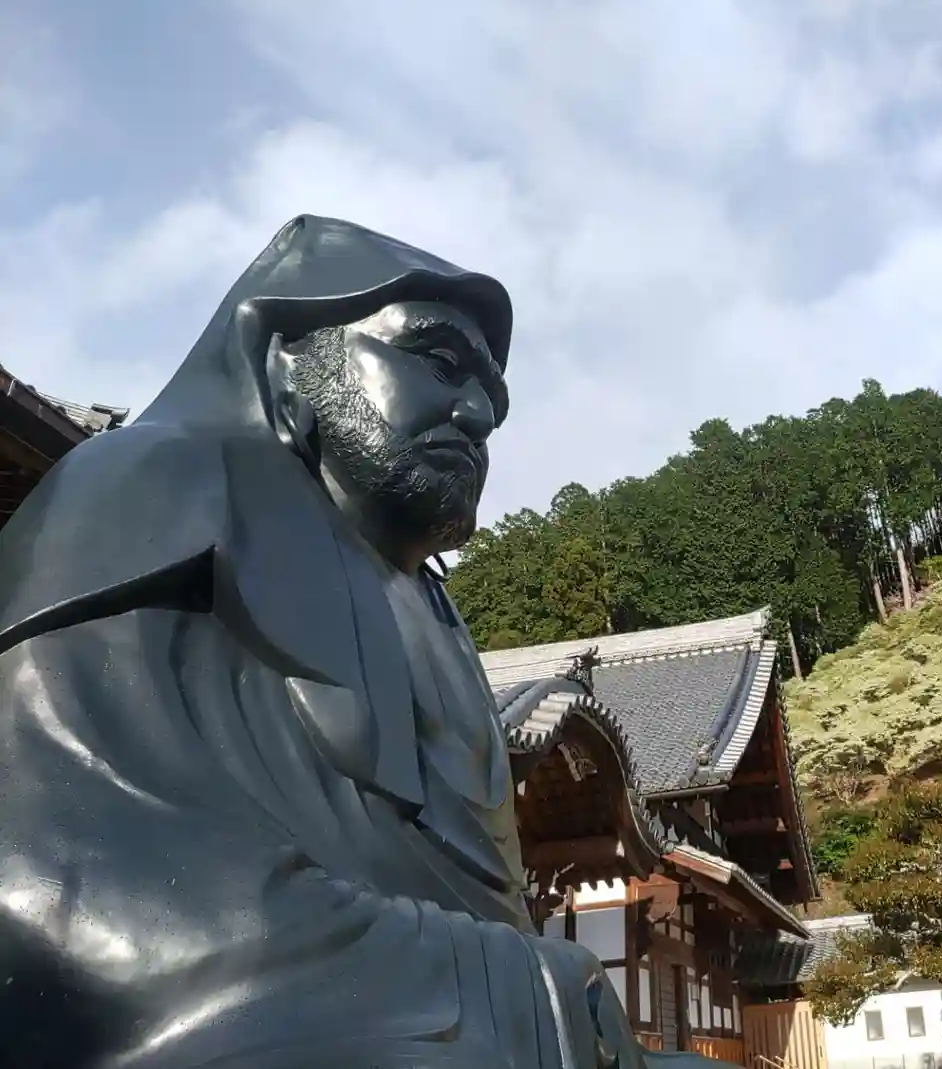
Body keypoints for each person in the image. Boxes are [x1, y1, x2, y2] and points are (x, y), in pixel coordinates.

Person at [0, 216, 725, 1069]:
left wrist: (529, 989)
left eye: (493, 398)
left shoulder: (442, 621)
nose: (478, 414)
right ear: (287, 356)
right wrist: (520, 985)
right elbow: (53, 867)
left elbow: (493, 916)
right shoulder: (149, 481)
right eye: (440, 361)